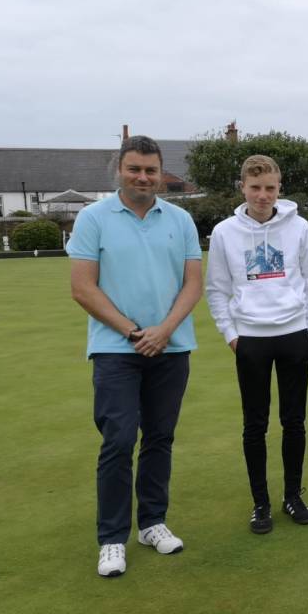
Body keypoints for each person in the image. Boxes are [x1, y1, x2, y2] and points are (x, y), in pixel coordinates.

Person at [67, 135, 202, 577]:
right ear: (120, 171)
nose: (143, 177)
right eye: (135, 169)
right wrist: (133, 331)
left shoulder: (180, 219)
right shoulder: (93, 218)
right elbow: (82, 287)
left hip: (171, 346)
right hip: (115, 349)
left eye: (150, 170)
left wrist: (164, 331)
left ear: (160, 174)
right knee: (119, 440)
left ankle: (152, 523)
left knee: (160, 438)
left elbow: (192, 284)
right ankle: (112, 539)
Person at [205, 155, 308, 533]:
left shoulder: (299, 226)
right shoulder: (224, 232)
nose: (262, 195)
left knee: (294, 421)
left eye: (270, 188)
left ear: (279, 188)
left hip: (294, 334)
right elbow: (217, 289)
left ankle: (293, 495)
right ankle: (261, 504)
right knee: (254, 425)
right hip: (251, 339)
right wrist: (231, 335)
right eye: (255, 188)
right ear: (242, 187)